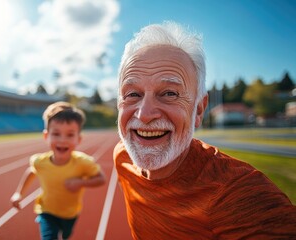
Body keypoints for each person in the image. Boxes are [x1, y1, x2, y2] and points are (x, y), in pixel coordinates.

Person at [114, 21, 296, 239]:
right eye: (132, 94)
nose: (144, 114)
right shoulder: (122, 156)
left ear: (199, 110)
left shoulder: (236, 195)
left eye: (170, 93)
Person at [11, 101, 106, 240]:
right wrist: (18, 193)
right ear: (46, 136)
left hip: (70, 213)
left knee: (66, 235)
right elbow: (31, 172)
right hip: (46, 211)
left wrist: (79, 182)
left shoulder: (83, 162)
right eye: (56, 134)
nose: (62, 140)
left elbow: (101, 179)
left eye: (70, 135)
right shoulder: (39, 162)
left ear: (78, 139)